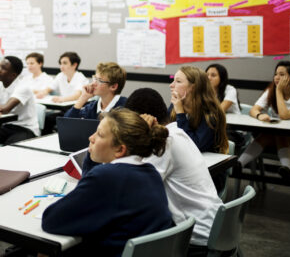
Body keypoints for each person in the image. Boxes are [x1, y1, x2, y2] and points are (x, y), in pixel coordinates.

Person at [42, 109, 173, 256]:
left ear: (119, 149)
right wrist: (93, 157)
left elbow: (51, 220)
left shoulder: (107, 177)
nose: (91, 138)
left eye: (99, 134)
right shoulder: (150, 172)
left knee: (43, 252)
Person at [125, 88, 223, 255]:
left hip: (195, 238)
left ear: (144, 120)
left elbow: (131, 185)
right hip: (213, 227)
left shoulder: (163, 143)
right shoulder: (177, 133)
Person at [238, 61, 290, 182]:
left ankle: (286, 167)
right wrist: (259, 115)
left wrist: (279, 91)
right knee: (267, 135)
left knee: (280, 135)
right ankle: (238, 165)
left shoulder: (284, 92)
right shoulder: (271, 90)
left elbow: (284, 115)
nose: (277, 77)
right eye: (276, 74)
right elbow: (254, 109)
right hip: (276, 136)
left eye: (281, 74)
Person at [169, 66, 228, 153]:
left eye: (178, 81)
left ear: (193, 87)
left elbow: (193, 146)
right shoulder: (175, 105)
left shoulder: (210, 114)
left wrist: (180, 114)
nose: (171, 85)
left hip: (206, 162)